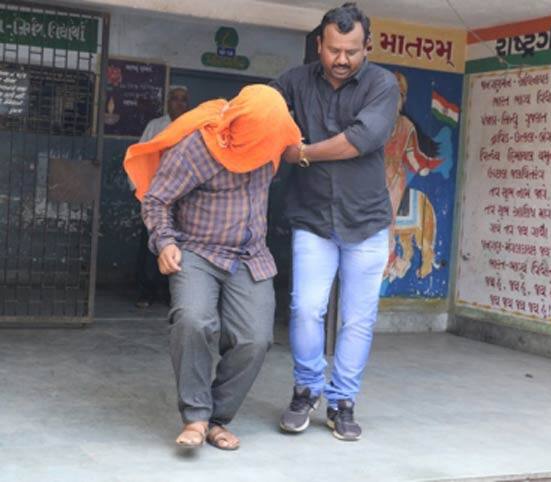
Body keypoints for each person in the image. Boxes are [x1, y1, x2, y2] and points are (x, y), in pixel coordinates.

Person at [123, 85, 301, 450]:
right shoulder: (198, 147)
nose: (268, 146)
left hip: (250, 255)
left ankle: (218, 418)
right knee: (193, 320)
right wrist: (165, 242)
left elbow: (295, 144)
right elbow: (156, 199)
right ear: (240, 127)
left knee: (256, 339)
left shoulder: (272, 140)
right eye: (262, 138)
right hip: (197, 250)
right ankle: (196, 417)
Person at [272, 2, 400, 441]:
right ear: (318, 46)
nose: (341, 59)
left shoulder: (382, 85)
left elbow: (360, 140)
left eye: (352, 51)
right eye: (333, 50)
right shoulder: (294, 81)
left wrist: (302, 152)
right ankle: (307, 389)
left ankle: (342, 400)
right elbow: (263, 110)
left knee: (358, 318)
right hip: (312, 218)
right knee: (306, 308)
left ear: (368, 47)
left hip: (366, 222)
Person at [134, 86, 189, 308]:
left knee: (179, 244)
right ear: (167, 102)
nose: (179, 103)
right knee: (150, 244)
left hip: (183, 196)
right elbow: (139, 155)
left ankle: (170, 293)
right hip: (154, 195)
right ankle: (145, 292)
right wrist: (138, 189)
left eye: (183, 100)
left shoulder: (193, 126)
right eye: (175, 99)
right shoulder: (155, 126)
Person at [383, 72, 442, 281]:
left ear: (403, 99)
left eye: (397, 95)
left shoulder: (406, 125)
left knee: (386, 217)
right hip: (370, 177)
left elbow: (412, 155)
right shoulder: (373, 121)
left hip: (393, 179)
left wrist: (422, 168)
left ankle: (389, 259)